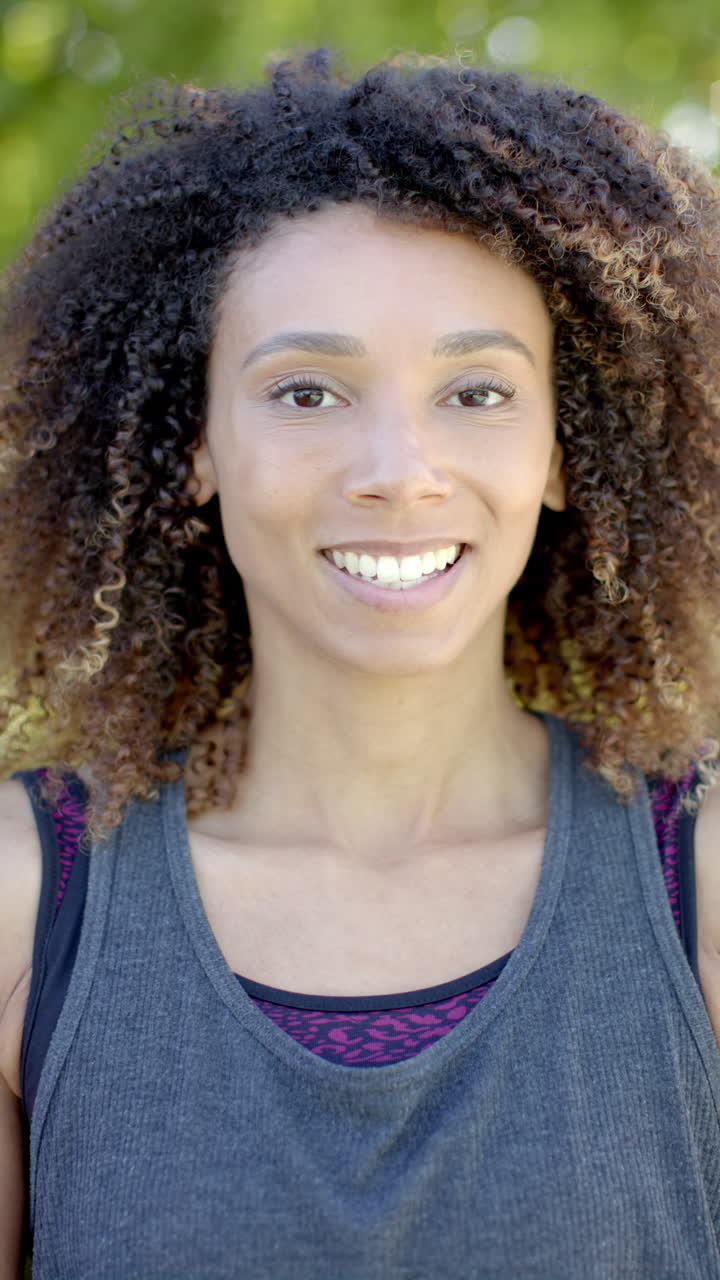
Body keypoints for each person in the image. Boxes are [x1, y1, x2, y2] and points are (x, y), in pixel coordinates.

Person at [1, 48, 720, 1280]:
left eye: (477, 392)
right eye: (308, 393)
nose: (398, 470)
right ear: (194, 440)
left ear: (563, 447)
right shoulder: (24, 900)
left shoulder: (700, 884)